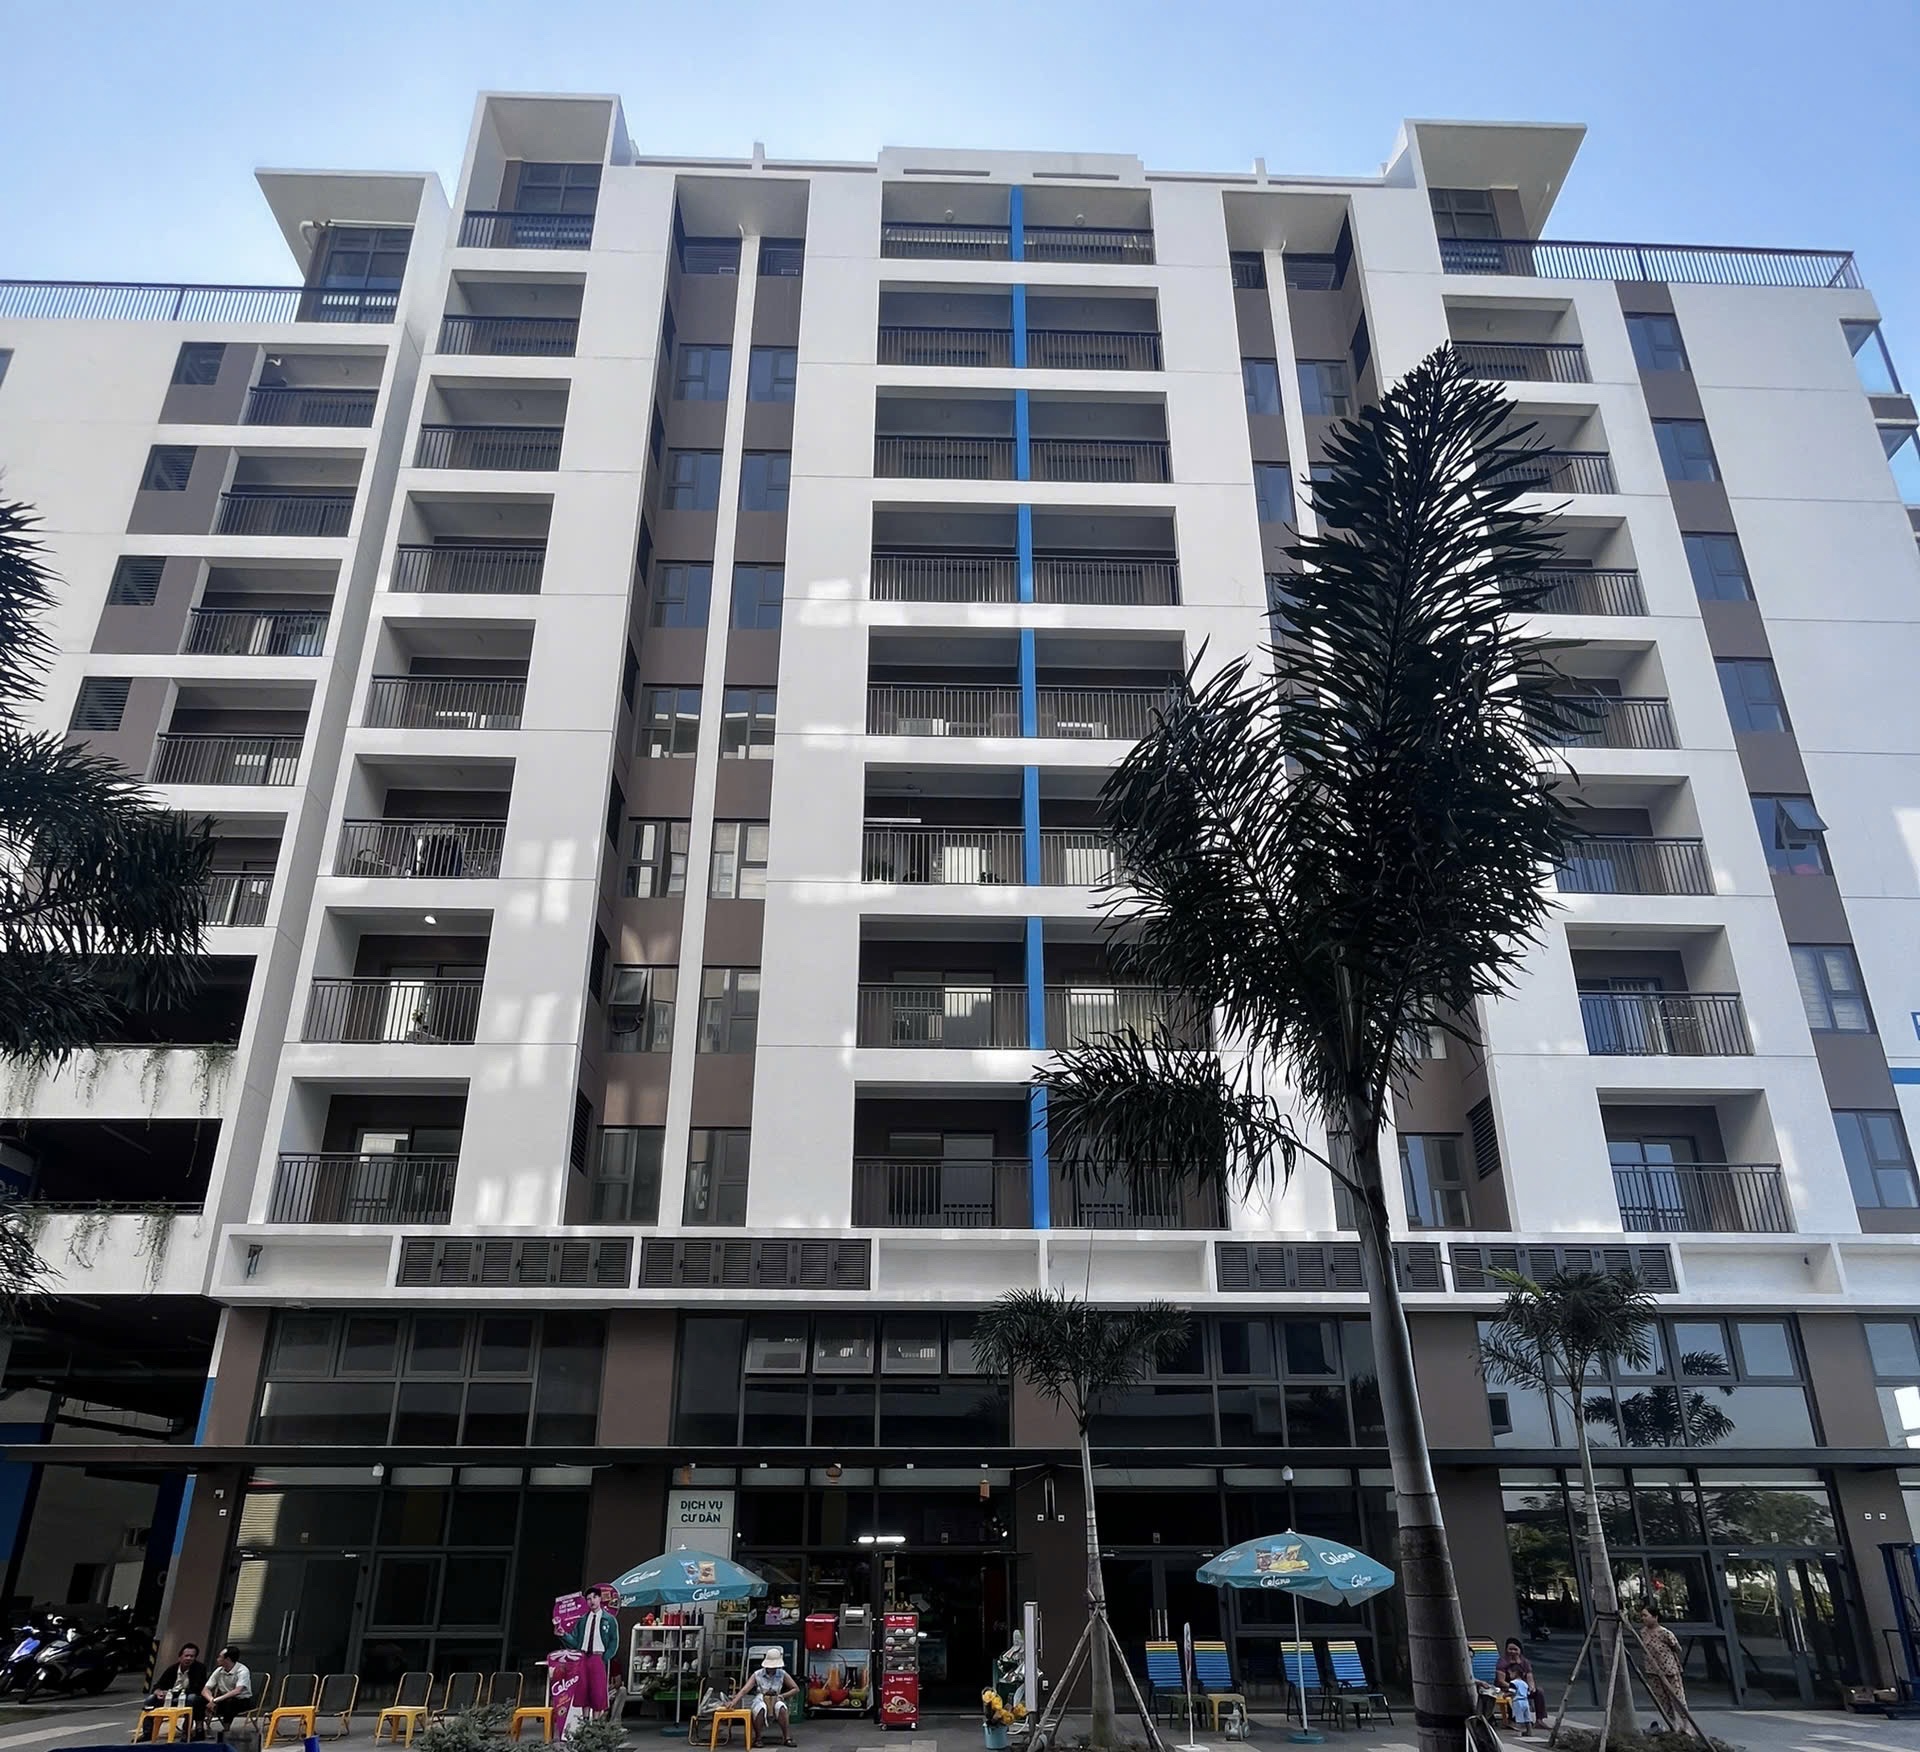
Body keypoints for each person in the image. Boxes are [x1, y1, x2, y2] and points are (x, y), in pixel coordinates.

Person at [560, 1583, 622, 1727]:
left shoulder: (609, 1619)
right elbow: (575, 1641)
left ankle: (596, 1722)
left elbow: (614, 1640)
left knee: (597, 1689)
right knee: (583, 1688)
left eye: (594, 1597)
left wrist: (606, 1656)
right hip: (583, 1657)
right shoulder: (582, 1620)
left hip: (598, 1657)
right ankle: (585, 1720)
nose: (592, 1601)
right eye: (588, 1599)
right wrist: (564, 1634)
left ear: (600, 1599)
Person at [730, 1649, 798, 1747]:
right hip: (761, 1698)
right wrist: (734, 1702)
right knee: (760, 1708)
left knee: (782, 1708)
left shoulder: (782, 1674)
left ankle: (787, 1737)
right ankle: (758, 1738)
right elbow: (745, 1690)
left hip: (776, 1698)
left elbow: (795, 1688)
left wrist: (783, 1696)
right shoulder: (757, 1674)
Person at [1637, 1606, 1689, 1732]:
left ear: (1655, 1617)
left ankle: (1686, 1725)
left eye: (1646, 1615)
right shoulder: (1643, 1632)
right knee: (1662, 1699)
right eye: (1642, 1616)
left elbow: (1677, 1648)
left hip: (1668, 1669)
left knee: (1677, 1697)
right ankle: (1672, 1724)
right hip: (1652, 1670)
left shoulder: (1665, 1633)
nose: (1643, 1618)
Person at [140, 1643, 208, 1737]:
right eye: (186, 1656)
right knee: (150, 1699)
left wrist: (174, 1693)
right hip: (170, 1697)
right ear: (180, 1657)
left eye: (192, 1656)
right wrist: (158, 1692)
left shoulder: (200, 1668)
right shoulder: (172, 1669)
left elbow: (197, 1688)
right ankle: (147, 1732)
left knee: (192, 1699)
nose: (189, 1658)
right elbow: (158, 1685)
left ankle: (186, 1731)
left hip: (187, 1697)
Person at [201, 1647, 254, 1736]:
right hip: (222, 1698)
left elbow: (237, 1691)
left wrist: (216, 1700)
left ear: (228, 1659)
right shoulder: (219, 1670)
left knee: (230, 1702)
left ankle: (226, 1730)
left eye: (220, 1657)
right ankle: (200, 1728)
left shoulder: (242, 1670)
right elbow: (205, 1689)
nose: (217, 1659)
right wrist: (211, 1700)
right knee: (200, 1700)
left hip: (241, 1700)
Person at [1494, 1638, 1536, 1737]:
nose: (1512, 1652)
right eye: (1510, 1649)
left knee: (1519, 1717)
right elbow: (1501, 1681)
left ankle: (1517, 1728)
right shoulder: (1524, 1684)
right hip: (1525, 1702)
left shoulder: (1514, 1683)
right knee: (1527, 1717)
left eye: (1515, 1649)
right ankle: (1529, 1730)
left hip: (1517, 1702)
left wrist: (1506, 1695)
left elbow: (1512, 1692)